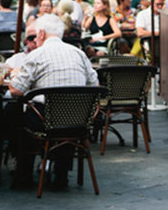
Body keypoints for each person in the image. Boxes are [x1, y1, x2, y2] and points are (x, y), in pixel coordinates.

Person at [6, 14, 99, 188]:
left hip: (46, 121)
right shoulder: (79, 54)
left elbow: (16, 91)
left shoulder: (36, 55)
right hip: (80, 120)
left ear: (41, 33)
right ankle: (61, 174)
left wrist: (14, 74)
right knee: (66, 112)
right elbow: (95, 85)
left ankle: (23, 174)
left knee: (14, 114)